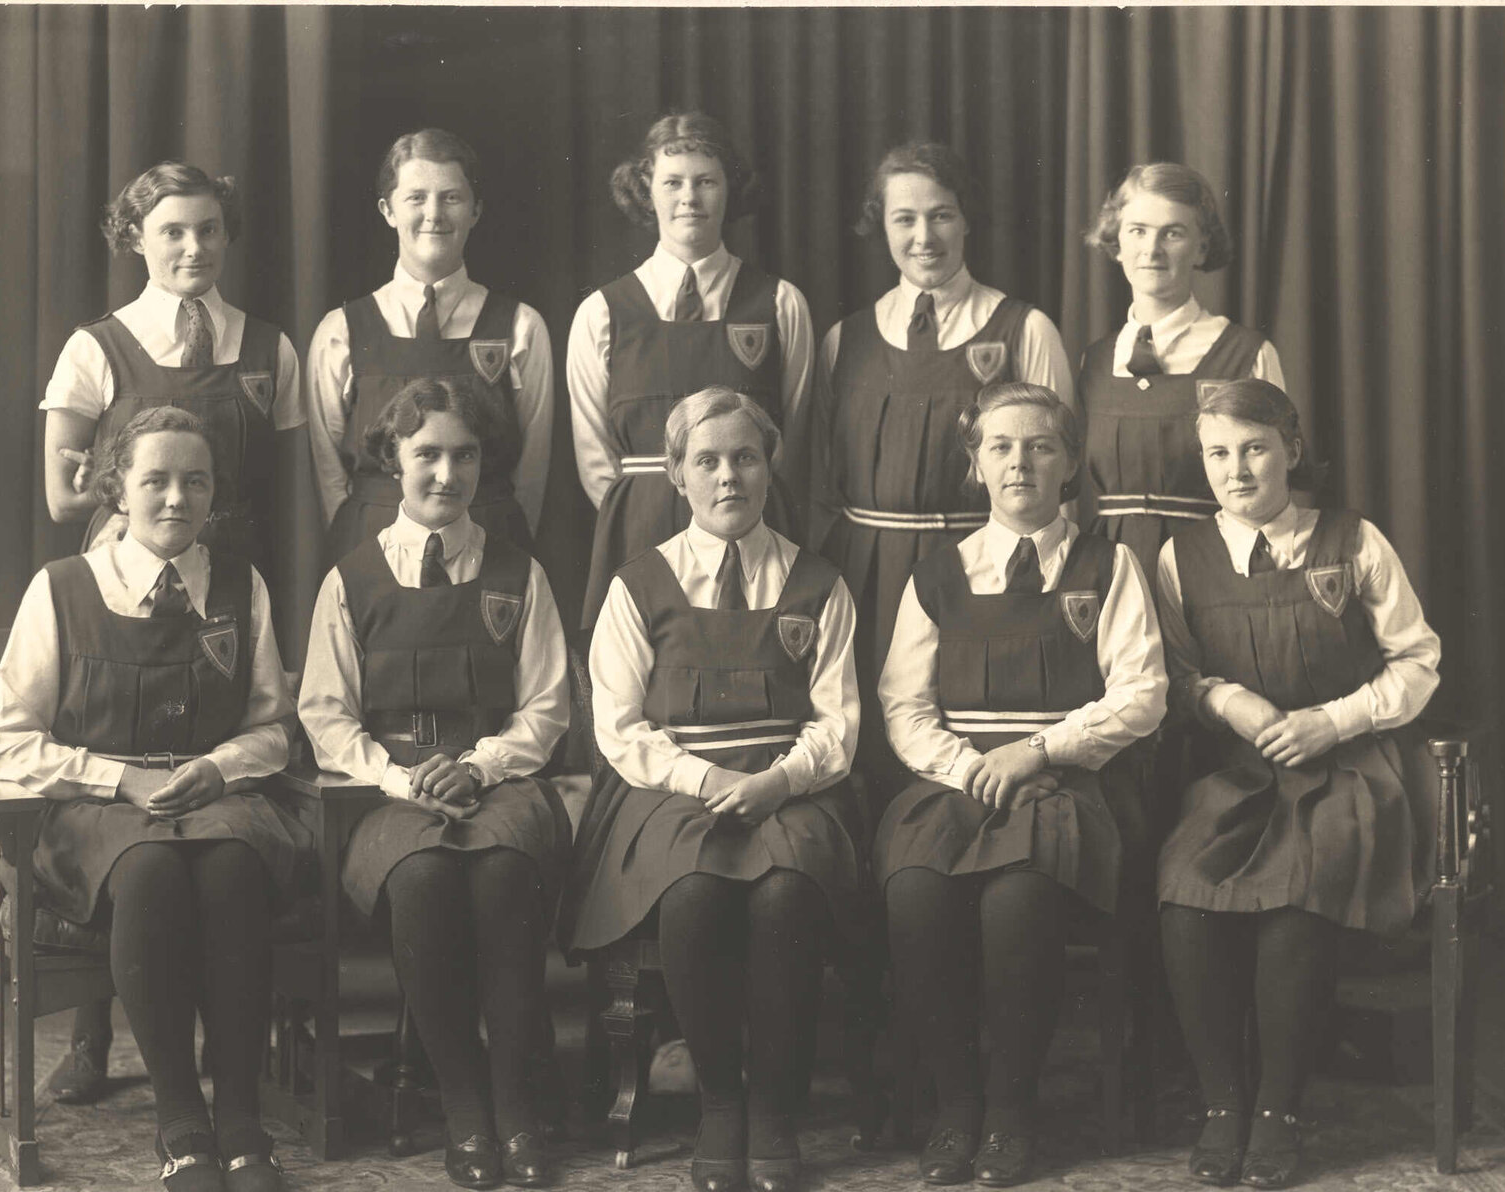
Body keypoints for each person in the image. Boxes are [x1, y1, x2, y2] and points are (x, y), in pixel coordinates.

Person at [0, 407, 303, 1192]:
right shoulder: (62, 588)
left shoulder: (241, 585)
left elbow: (274, 729)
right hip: (94, 812)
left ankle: (238, 1113)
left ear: (214, 492)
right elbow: (5, 742)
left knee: (232, 866)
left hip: (211, 798)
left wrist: (222, 766)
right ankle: (181, 1116)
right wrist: (115, 779)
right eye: (154, 479)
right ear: (115, 488)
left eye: (195, 480)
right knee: (152, 866)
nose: (174, 497)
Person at [40, 162, 308, 1103]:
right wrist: (135, 502)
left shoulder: (268, 344)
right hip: (128, 567)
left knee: (214, 791)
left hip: (228, 584)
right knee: (126, 770)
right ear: (137, 241)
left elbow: (284, 485)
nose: (193, 248)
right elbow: (59, 490)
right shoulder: (98, 346)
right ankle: (89, 1037)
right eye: (171, 233)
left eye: (208, 231)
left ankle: (218, 1044)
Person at [558, 386, 861, 1192]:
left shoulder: (818, 582)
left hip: (789, 788)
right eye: (708, 461)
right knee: (691, 895)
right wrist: (704, 778)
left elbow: (838, 722)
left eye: (745, 457)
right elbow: (618, 727)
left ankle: (773, 1105)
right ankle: (719, 1099)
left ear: (769, 467)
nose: (728, 476)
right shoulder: (637, 584)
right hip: (669, 789)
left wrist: (777, 780)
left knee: (787, 895)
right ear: (677, 476)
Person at [1154, 378, 1440, 1190]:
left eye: (1253, 448)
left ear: (1289, 449)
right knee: (1182, 892)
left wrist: (1334, 721)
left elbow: (1418, 662)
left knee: (1295, 891)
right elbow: (1170, 675)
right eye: (1217, 453)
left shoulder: (1351, 539)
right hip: (1241, 771)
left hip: (1350, 766)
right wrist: (1221, 696)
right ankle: (1221, 1102)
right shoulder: (1182, 557)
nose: (1237, 470)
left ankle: (1279, 1107)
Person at [875, 382, 1165, 1187]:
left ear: (1069, 462)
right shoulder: (939, 574)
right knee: (914, 891)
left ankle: (1008, 1110)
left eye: (1039, 445)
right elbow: (904, 704)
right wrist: (967, 766)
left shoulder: (1109, 565)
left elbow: (1140, 695)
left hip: (1066, 788)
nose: (1019, 462)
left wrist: (1034, 752)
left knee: (1019, 898)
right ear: (974, 465)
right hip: (955, 785)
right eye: (999, 446)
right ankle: (955, 1105)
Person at [300, 377, 571, 1190]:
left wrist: (482, 762)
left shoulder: (518, 573)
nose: (445, 474)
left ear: (484, 464)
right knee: (420, 880)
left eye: (463, 455)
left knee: (503, 875)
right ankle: (462, 1105)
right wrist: (395, 777)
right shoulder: (350, 580)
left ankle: (514, 1099)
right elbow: (325, 712)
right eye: (427, 454)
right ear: (394, 458)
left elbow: (547, 706)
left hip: (503, 785)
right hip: (389, 797)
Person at [813, 142, 1075, 794]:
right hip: (866, 570)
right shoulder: (844, 338)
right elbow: (820, 473)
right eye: (904, 219)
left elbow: (1060, 480)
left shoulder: (1023, 329)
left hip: (977, 569)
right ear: (882, 224)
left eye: (941, 216)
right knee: (866, 743)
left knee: (965, 750)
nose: (923, 236)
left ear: (966, 221)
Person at [567, 111, 815, 630]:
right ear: (645, 190)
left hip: (751, 530)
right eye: (672, 182)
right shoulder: (602, 312)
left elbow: (793, 432)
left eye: (706, 181)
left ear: (729, 190)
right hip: (641, 531)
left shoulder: (779, 303)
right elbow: (595, 459)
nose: (689, 198)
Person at [307, 128, 553, 561]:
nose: (434, 214)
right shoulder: (340, 330)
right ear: (388, 210)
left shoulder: (521, 326)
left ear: (476, 210)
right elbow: (328, 472)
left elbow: (532, 473)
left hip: (489, 544)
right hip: (372, 545)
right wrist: (357, 545)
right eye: (416, 198)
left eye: (451, 197)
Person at [1077, 161, 1286, 584]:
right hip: (1111, 575)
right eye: (1137, 230)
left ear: (1202, 248)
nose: (1151, 250)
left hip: (1214, 571)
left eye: (1172, 233)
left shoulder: (1247, 354)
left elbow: (1277, 490)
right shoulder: (1095, 361)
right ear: (1116, 241)